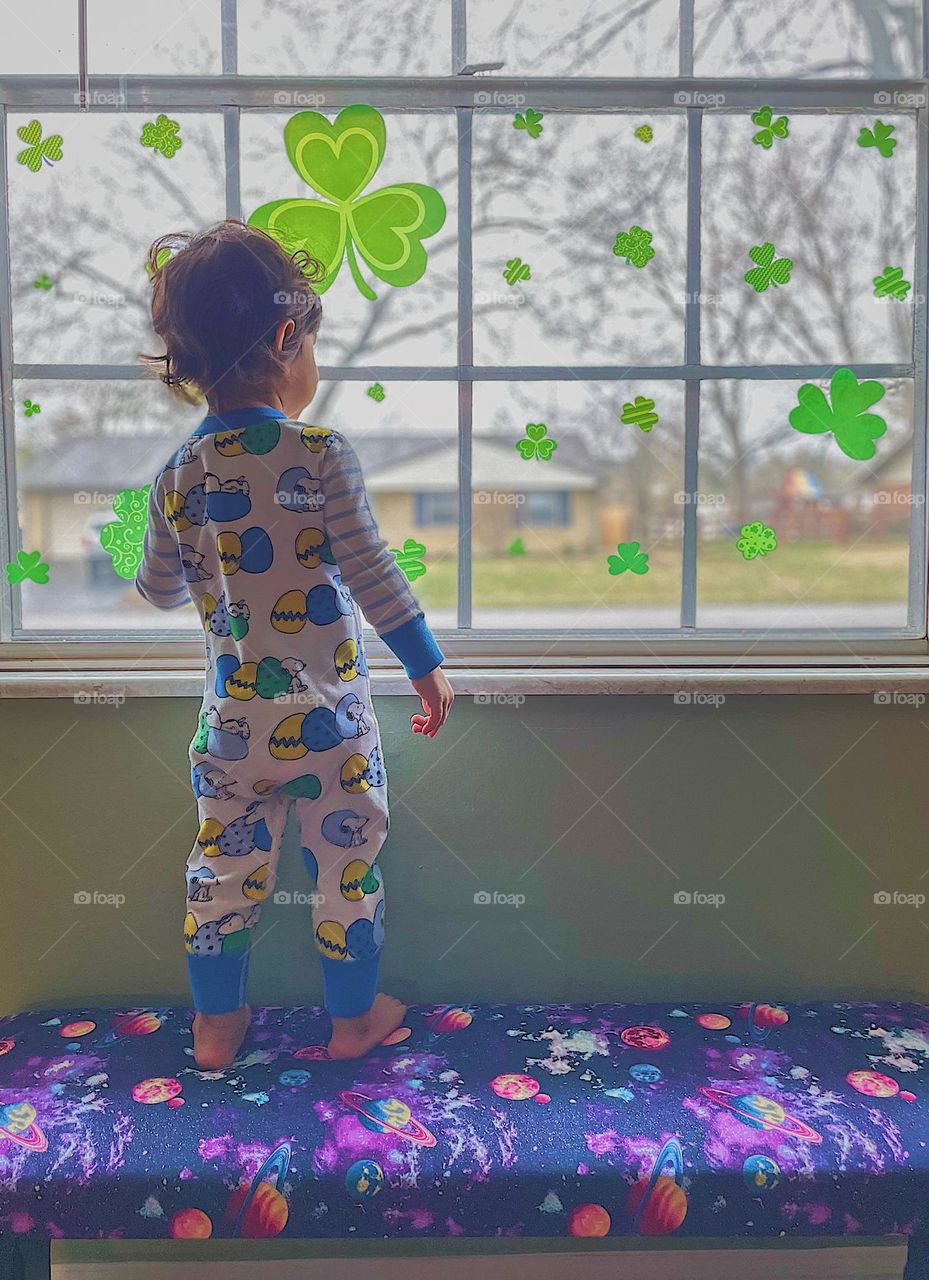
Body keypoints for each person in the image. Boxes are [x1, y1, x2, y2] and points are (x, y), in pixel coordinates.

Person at [136, 220, 453, 1069]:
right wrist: (425, 667)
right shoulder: (318, 454)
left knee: (221, 870)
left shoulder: (174, 476)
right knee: (345, 869)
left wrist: (190, 560)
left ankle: (214, 1028)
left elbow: (160, 590)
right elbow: (373, 571)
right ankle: (351, 1023)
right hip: (332, 726)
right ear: (287, 337)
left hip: (230, 730)